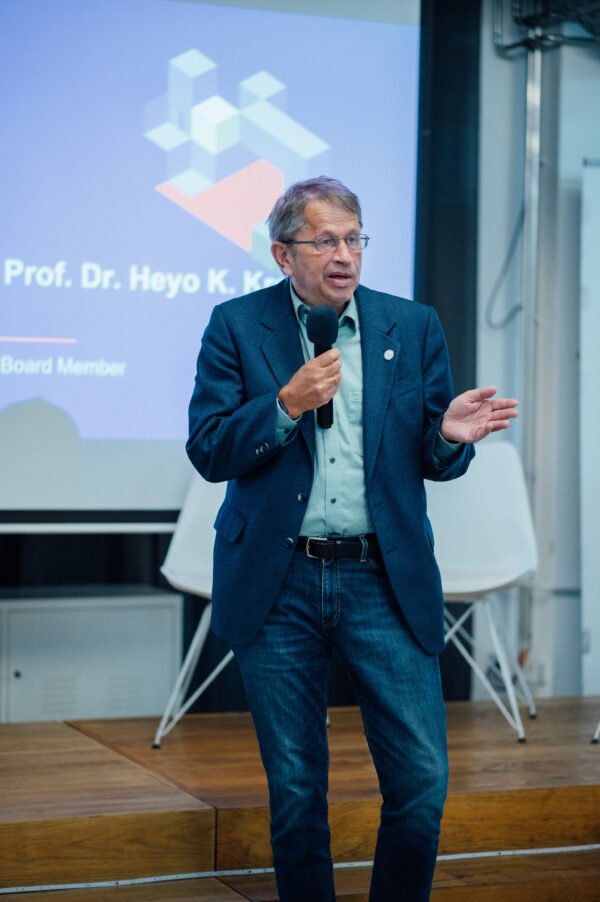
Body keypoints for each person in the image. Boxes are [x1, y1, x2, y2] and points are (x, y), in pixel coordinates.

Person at [186, 176, 518, 901]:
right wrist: (284, 404)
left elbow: (433, 457)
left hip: (382, 577)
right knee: (297, 791)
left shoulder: (412, 325)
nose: (344, 255)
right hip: (278, 582)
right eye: (325, 241)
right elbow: (209, 449)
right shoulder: (237, 325)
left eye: (353, 239)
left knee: (422, 781)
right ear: (283, 254)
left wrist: (449, 436)